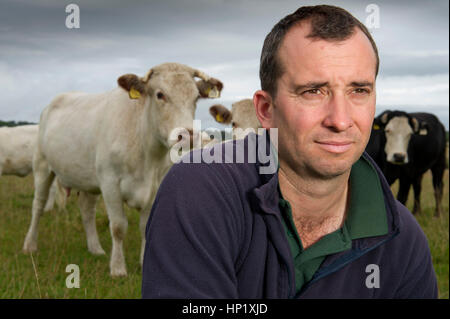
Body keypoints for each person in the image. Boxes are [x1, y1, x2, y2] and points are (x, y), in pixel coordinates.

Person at [142, 5, 438, 298]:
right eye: (313, 91)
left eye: (358, 91)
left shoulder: (403, 240)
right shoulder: (200, 191)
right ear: (266, 110)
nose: (340, 120)